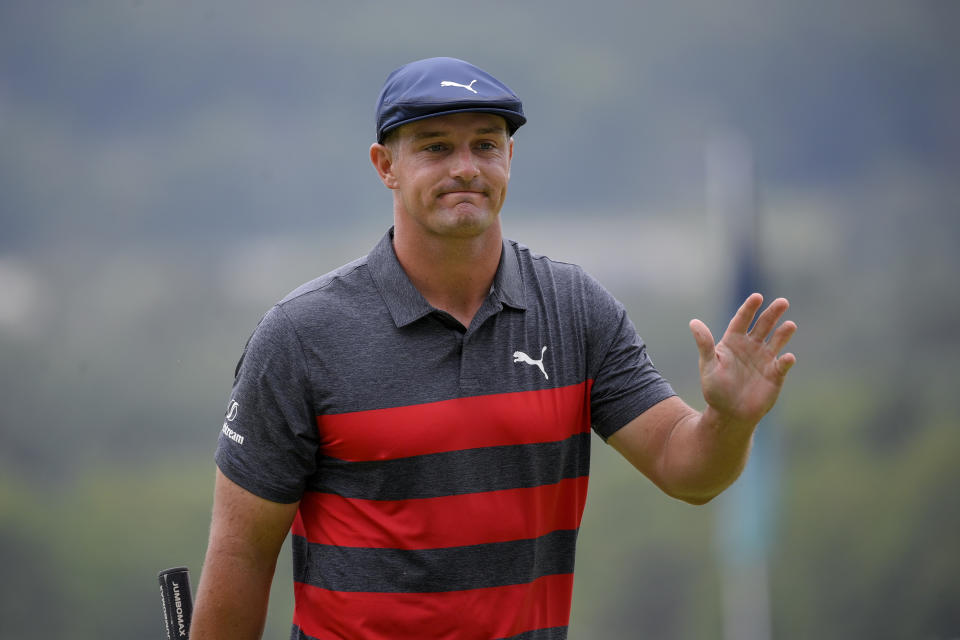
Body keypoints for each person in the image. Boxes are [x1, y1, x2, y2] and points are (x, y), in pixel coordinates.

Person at [190, 57, 796, 640]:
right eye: (435, 147)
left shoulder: (574, 309)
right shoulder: (301, 336)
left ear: (510, 156)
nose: (466, 167)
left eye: (485, 144)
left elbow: (684, 468)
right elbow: (242, 555)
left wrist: (729, 420)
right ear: (385, 165)